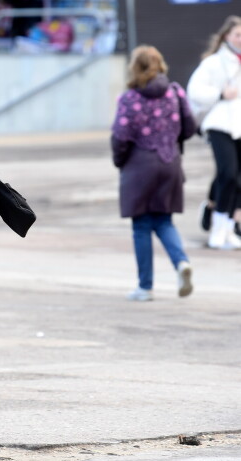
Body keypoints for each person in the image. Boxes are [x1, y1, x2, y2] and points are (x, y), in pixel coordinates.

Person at [111, 45, 196, 302]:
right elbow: (190, 126)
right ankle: (181, 262)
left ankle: (145, 287)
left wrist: (120, 161)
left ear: (135, 68)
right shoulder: (175, 92)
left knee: (141, 226)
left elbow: (120, 137)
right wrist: (170, 139)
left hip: (139, 167)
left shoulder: (129, 98)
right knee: (164, 220)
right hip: (170, 163)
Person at [187, 15, 241, 249]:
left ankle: (228, 227)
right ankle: (217, 225)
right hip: (219, 124)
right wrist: (220, 93)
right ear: (227, 36)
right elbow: (195, 91)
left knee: (238, 179)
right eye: (237, 34)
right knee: (227, 173)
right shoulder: (214, 63)